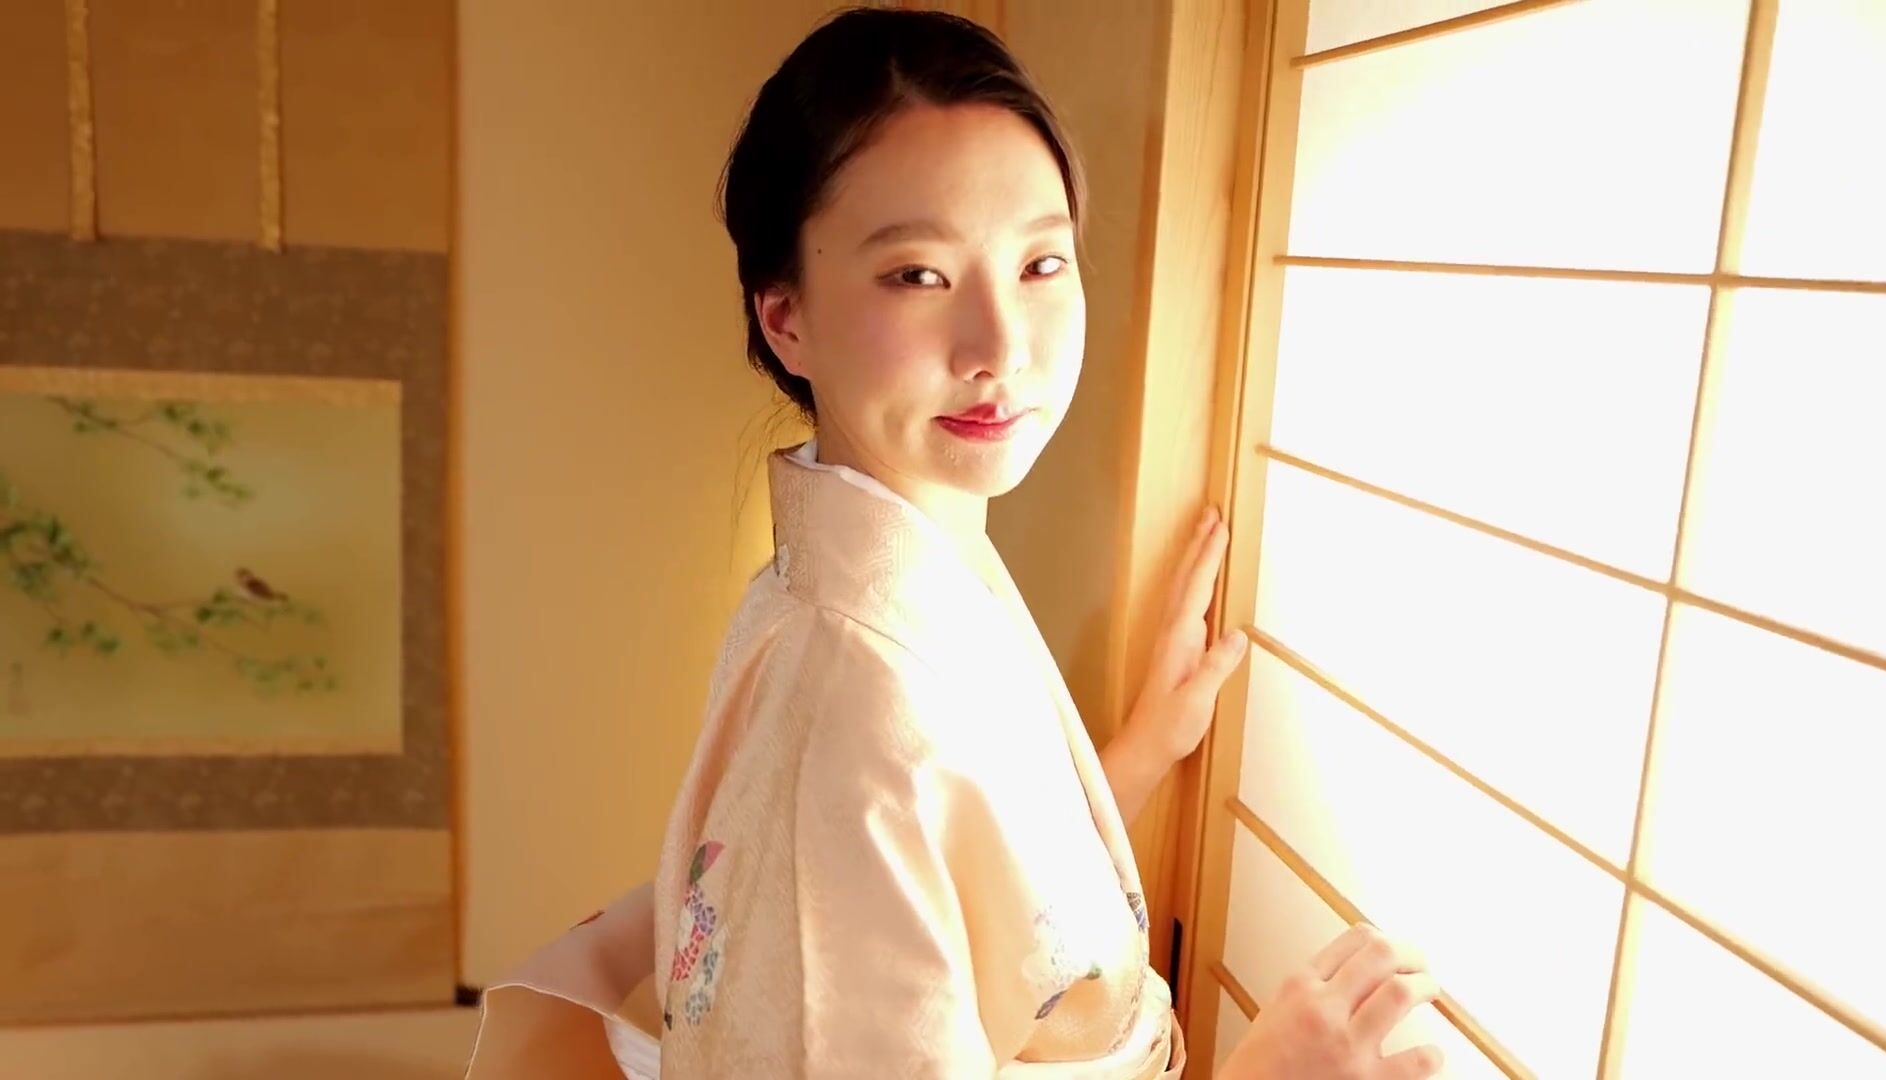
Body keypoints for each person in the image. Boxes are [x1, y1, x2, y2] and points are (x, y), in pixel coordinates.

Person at [466, 9, 1443, 1078]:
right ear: (786, 318)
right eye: (917, 275)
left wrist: (1143, 748)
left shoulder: (910, 560)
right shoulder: (848, 697)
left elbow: (986, 912)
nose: (1000, 346)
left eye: (1041, 263)